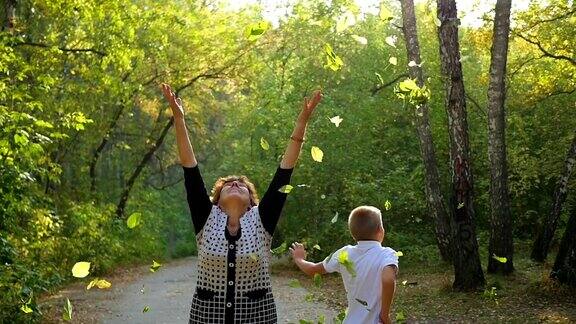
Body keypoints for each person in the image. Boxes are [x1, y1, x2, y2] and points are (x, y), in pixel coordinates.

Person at [160, 83, 322, 323]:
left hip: (257, 317)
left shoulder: (261, 219)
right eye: (228, 184)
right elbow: (189, 166)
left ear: (251, 202)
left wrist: (302, 122)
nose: (235, 184)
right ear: (217, 201)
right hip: (207, 318)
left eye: (242, 185)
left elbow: (285, 171)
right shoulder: (207, 218)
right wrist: (179, 118)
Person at [289, 206, 398, 324]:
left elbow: (313, 269)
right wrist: (384, 314)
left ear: (353, 234)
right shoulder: (387, 254)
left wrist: (299, 259)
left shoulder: (344, 253)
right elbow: (388, 279)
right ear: (381, 231)